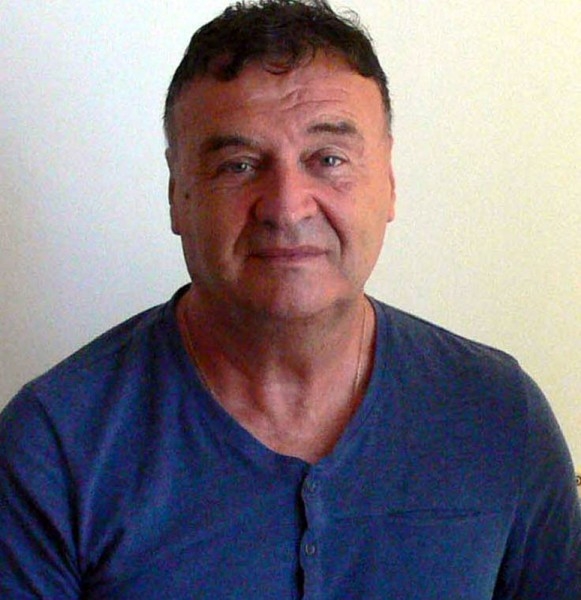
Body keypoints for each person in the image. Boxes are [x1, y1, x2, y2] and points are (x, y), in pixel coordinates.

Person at [1, 0, 579, 597]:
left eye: (328, 159)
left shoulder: (498, 415)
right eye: (238, 165)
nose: (286, 206)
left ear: (389, 185)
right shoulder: (55, 446)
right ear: (177, 195)